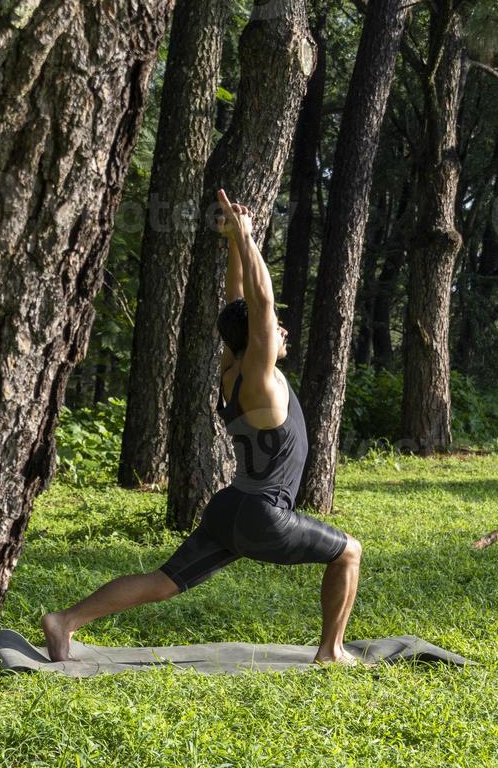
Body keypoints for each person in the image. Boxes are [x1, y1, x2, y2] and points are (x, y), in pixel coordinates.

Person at [42, 189, 362, 667]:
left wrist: (235, 240)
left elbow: (238, 302)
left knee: (164, 581)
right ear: (259, 336)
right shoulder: (259, 379)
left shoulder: (232, 369)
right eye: (277, 330)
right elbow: (259, 301)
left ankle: (65, 620)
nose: (283, 332)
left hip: (230, 507)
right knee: (349, 552)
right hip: (262, 514)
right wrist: (249, 238)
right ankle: (331, 651)